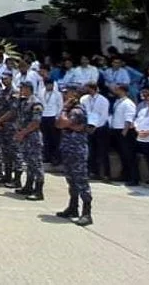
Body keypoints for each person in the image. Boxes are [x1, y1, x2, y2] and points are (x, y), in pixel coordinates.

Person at [56, 85, 94, 226]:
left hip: (77, 150)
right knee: (71, 180)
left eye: (67, 93)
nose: (64, 95)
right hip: (68, 149)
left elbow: (63, 122)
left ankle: (87, 213)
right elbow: (58, 124)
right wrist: (65, 117)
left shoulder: (77, 110)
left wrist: (64, 110)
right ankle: (73, 208)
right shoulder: (69, 110)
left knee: (81, 181)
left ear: (74, 94)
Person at [12, 81, 45, 200]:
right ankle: (28, 186)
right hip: (25, 137)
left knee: (36, 164)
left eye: (22, 88)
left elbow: (36, 122)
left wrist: (22, 133)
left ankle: (39, 191)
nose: (20, 90)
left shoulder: (36, 103)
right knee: (29, 164)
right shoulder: (23, 102)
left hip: (33, 138)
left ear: (28, 89)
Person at [0, 71, 18, 187]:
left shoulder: (14, 93)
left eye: (6, 78)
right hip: (3, 126)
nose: (3, 80)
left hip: (11, 126)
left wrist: (0, 120)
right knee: (5, 152)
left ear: (11, 78)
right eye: (2, 79)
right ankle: (7, 175)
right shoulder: (3, 92)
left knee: (13, 153)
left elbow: (13, 111)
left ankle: (16, 179)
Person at [79, 82, 110, 180]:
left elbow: (104, 115)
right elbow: (82, 112)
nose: (85, 90)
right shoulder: (83, 99)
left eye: (87, 88)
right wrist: (86, 125)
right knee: (90, 151)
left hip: (100, 127)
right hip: (87, 126)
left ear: (92, 88)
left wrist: (95, 127)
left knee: (102, 151)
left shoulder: (103, 100)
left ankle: (106, 174)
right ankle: (92, 172)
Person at [38, 70, 62, 166]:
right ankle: (46, 156)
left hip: (53, 117)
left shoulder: (57, 94)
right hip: (44, 116)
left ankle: (55, 157)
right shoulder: (41, 92)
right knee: (45, 138)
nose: (49, 86)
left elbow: (60, 106)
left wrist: (57, 117)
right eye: (47, 85)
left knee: (54, 139)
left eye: (51, 85)